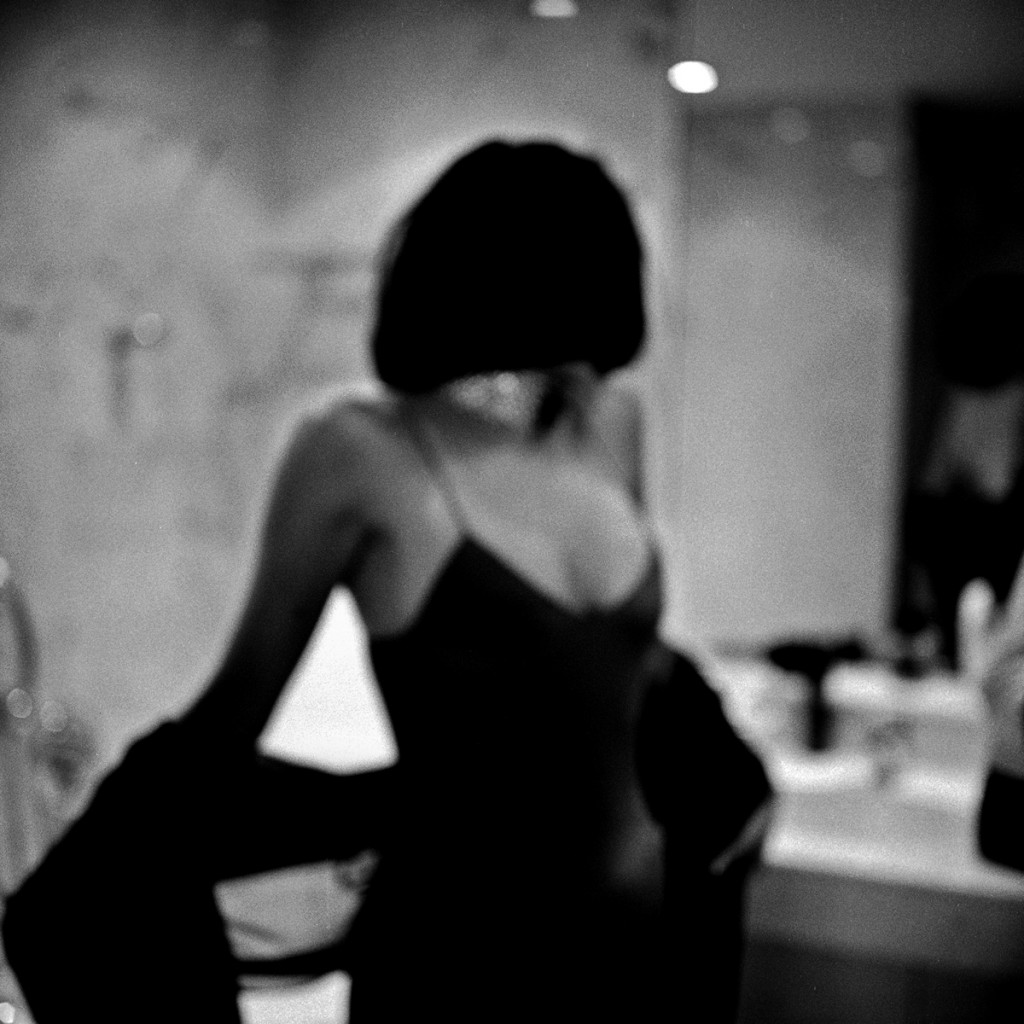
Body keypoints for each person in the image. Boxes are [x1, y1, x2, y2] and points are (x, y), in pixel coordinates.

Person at [2, 139, 771, 1022]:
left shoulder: (608, 427)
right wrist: (91, 869)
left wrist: (727, 773)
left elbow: (622, 675)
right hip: (454, 955)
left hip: (640, 948)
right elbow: (230, 718)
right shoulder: (360, 452)